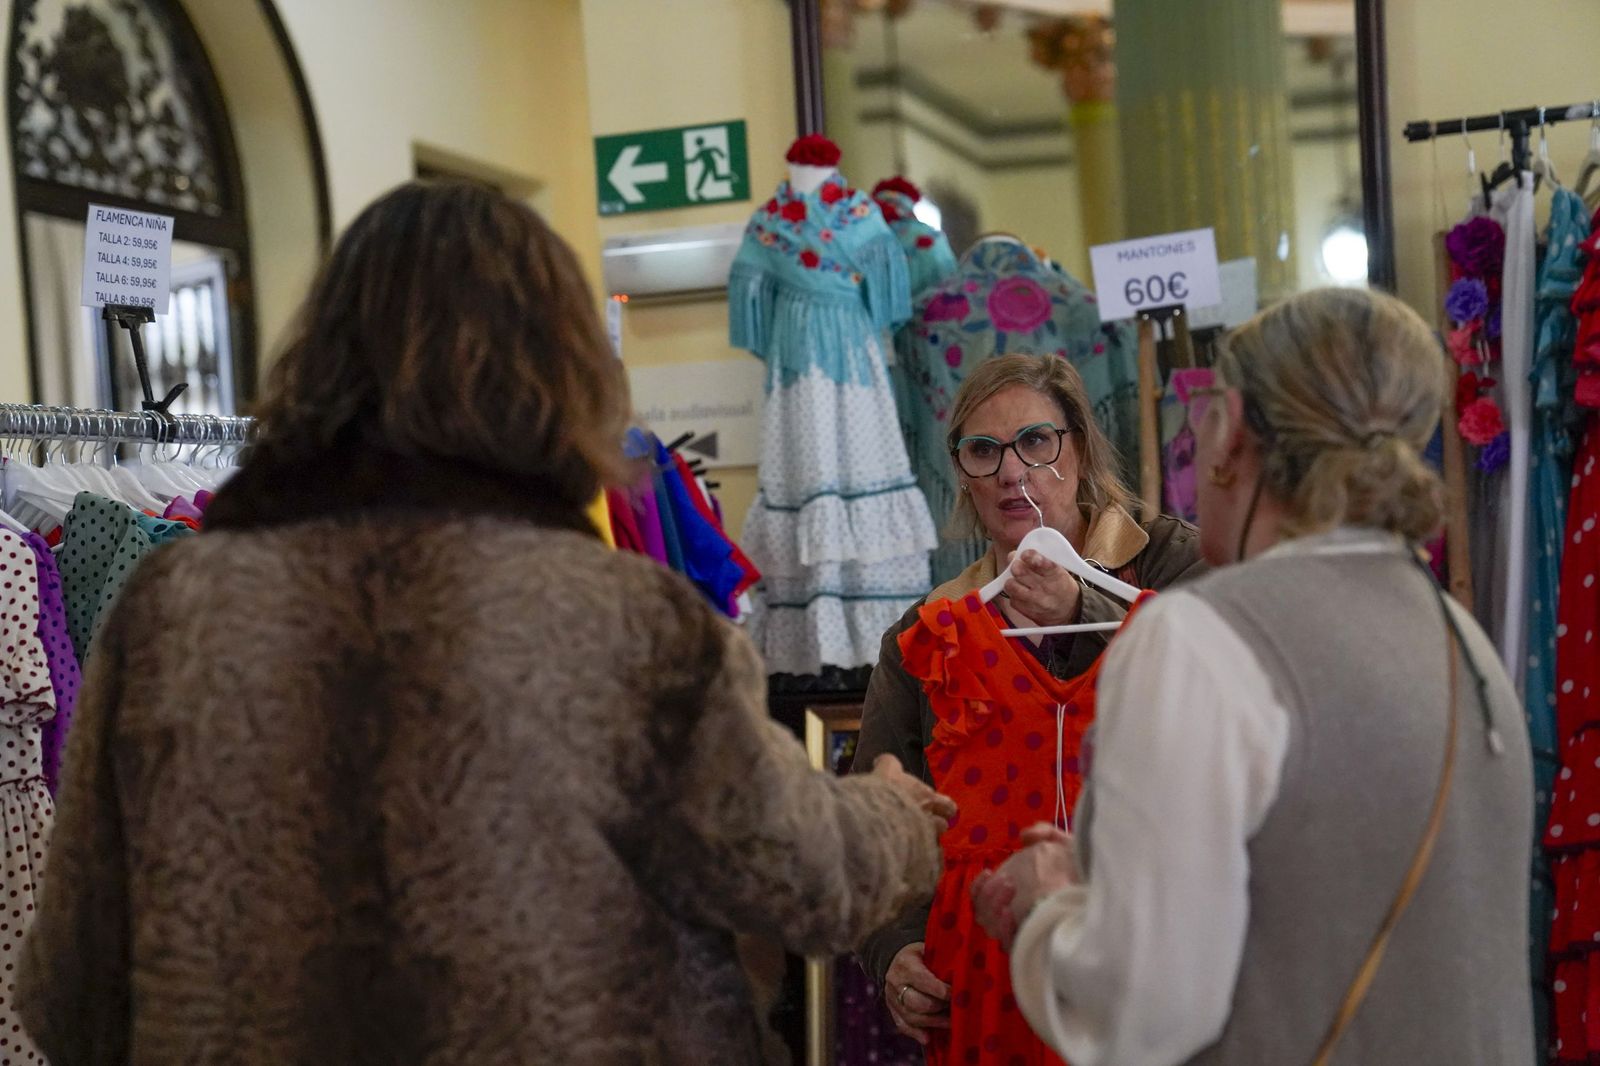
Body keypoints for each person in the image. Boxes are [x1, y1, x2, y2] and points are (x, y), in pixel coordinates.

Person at [17, 181, 954, 1065]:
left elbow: (70, 992)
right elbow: (799, 877)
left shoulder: (173, 611)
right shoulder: (623, 621)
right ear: (561, 370)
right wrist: (895, 816)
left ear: (323, 356)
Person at [973, 287, 1534, 1065]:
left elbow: (1145, 1010)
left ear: (1229, 430)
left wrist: (1046, 911)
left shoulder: (1200, 639)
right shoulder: (1461, 639)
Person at [852, 352, 1205, 1047]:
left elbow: (1218, 707)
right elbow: (877, 820)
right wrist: (893, 950)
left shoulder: (1175, 563)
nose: (1012, 473)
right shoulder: (925, 636)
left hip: (1157, 949)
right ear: (962, 472)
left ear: (1080, 448)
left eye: (1036, 441)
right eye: (983, 451)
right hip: (986, 978)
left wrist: (1085, 613)